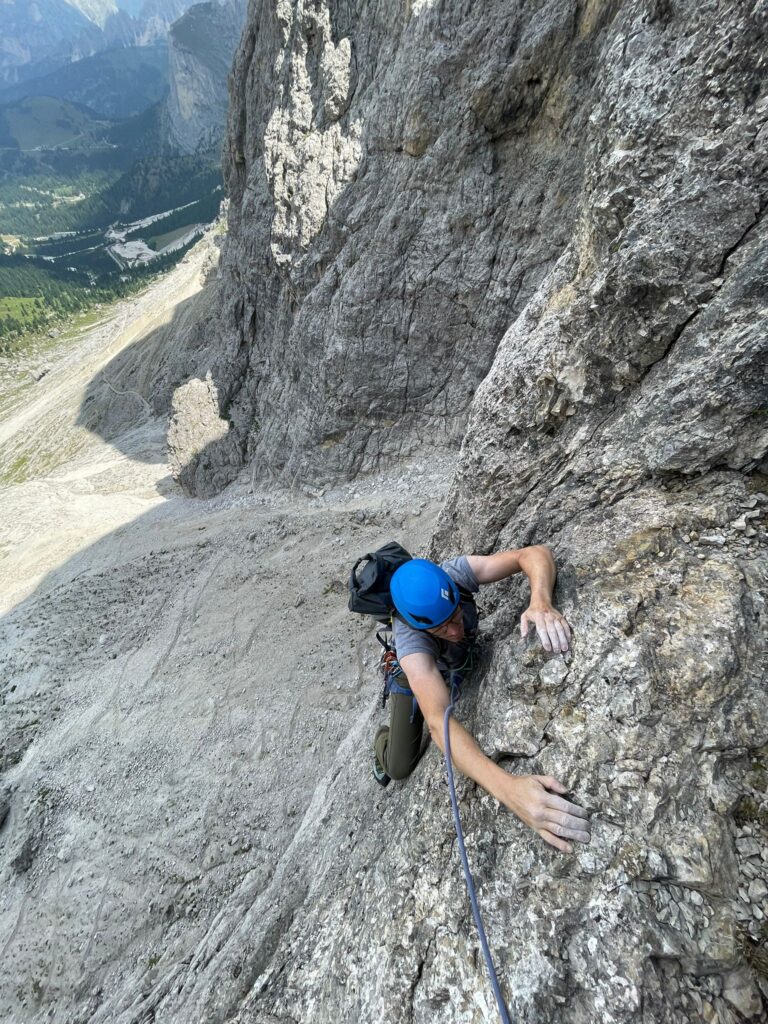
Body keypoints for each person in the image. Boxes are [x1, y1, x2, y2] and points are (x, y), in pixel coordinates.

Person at [373, 546, 591, 854]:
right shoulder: (412, 645)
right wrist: (509, 789)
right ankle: (382, 740)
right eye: (442, 627)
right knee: (397, 767)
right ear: (420, 627)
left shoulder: (454, 574)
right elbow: (438, 723)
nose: (455, 628)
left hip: (447, 664)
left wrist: (540, 600)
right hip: (413, 681)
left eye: (454, 616)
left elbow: (531, 554)